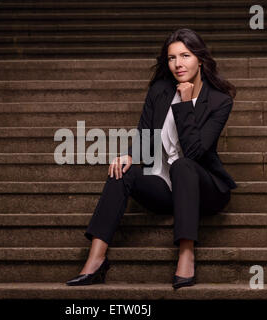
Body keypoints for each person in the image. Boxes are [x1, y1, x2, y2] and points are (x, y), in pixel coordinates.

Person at [66, 28, 237, 289]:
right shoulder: (159, 90)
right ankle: (96, 259)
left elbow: (194, 153)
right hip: (166, 186)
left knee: (182, 164)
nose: (178, 64)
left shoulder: (219, 101)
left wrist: (184, 102)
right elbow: (145, 133)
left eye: (185, 55)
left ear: (200, 59)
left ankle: (186, 253)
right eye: (171, 58)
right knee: (121, 170)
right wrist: (131, 155)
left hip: (204, 190)